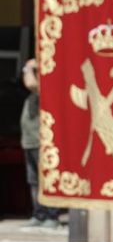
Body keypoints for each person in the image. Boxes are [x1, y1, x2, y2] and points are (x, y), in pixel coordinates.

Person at [18, 57, 65, 229]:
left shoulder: (46, 89)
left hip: (42, 143)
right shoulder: (32, 95)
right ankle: (39, 213)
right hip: (29, 142)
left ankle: (52, 215)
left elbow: (31, 84)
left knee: (47, 180)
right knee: (34, 181)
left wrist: (28, 68)